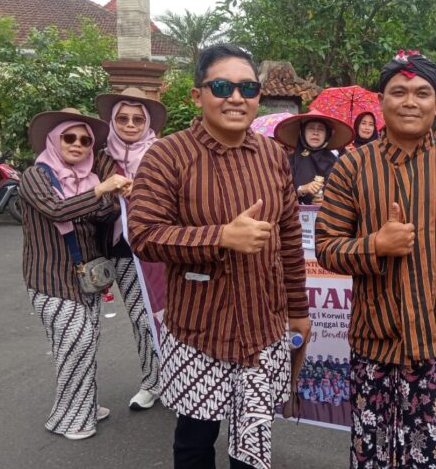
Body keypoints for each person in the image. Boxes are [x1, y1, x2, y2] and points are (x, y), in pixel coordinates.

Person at [127, 43, 311, 469]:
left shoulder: (272, 157)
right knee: (194, 442)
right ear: (197, 96)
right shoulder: (167, 156)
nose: (236, 97)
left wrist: (298, 310)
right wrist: (221, 237)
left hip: (263, 327)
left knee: (253, 444)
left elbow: (287, 238)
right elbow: (144, 235)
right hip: (199, 330)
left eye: (247, 87)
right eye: (222, 86)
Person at [315, 50, 436, 468]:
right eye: (399, 91)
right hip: (375, 338)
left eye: (421, 92)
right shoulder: (352, 168)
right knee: (373, 454)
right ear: (381, 100)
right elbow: (326, 247)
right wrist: (375, 245)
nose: (410, 101)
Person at [20, 108, 132, 440]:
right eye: (69, 138)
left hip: (88, 278)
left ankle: (80, 405)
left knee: (82, 345)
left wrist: (110, 198)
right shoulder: (35, 176)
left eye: (85, 141)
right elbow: (56, 209)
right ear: (54, 141)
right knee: (78, 343)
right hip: (50, 280)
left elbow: (106, 215)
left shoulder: (91, 179)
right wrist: (101, 192)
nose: (78, 144)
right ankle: (71, 419)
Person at [94, 87, 163, 409]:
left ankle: (180, 378)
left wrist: (143, 192)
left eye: (138, 119)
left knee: (169, 316)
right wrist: (111, 195)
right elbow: (89, 202)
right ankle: (152, 381)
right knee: (139, 317)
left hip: (161, 248)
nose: (130, 124)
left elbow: (176, 197)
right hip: (121, 250)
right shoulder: (102, 157)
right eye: (123, 118)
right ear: (113, 122)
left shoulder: (161, 153)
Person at [274, 110, 353, 205]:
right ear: (302, 132)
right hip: (294, 217)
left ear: (327, 134)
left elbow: (344, 197)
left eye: (320, 129)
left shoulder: (336, 163)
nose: (315, 133)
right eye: (311, 128)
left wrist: (327, 202)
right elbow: (278, 194)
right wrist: (301, 189)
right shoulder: (289, 161)